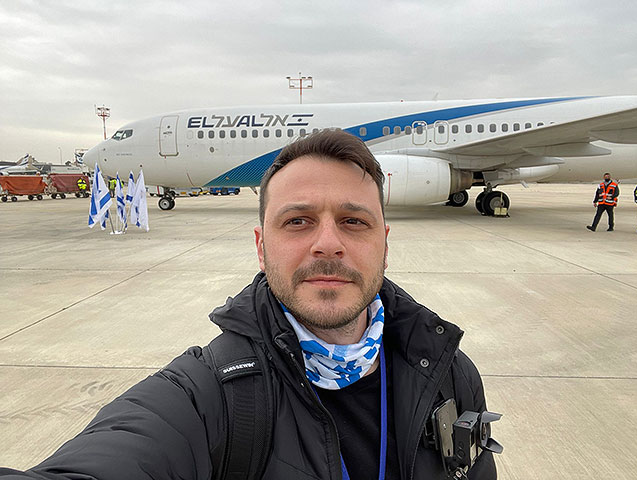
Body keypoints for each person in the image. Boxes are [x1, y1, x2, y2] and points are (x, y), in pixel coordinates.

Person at [0, 130, 496, 479]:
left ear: (384, 243)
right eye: (297, 221)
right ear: (261, 247)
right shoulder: (209, 397)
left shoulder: (450, 375)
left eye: (354, 221)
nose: (328, 243)